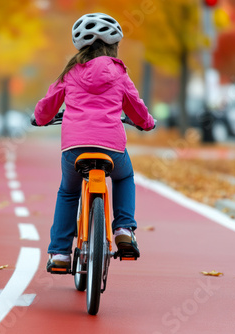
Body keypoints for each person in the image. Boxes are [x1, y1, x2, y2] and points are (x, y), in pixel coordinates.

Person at [32, 13, 155, 272]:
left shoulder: (70, 73)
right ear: (113, 46)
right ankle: (123, 228)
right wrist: (147, 123)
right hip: (112, 148)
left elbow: (47, 106)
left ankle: (60, 254)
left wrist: (40, 119)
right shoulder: (119, 72)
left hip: (74, 149)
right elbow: (136, 108)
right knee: (124, 177)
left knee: (68, 191)